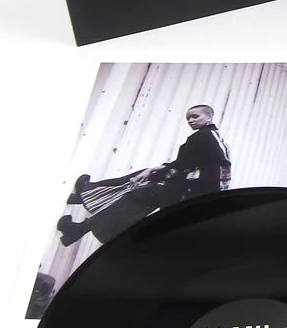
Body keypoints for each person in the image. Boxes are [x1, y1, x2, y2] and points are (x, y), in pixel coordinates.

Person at [56, 104, 231, 246]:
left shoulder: (202, 137)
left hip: (187, 193)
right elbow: (190, 164)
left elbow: (180, 168)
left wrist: (152, 175)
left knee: (135, 190)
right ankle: (80, 222)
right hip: (193, 196)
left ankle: (84, 198)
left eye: (195, 116)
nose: (191, 120)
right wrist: (154, 170)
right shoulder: (213, 137)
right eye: (188, 118)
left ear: (209, 116)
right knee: (136, 199)